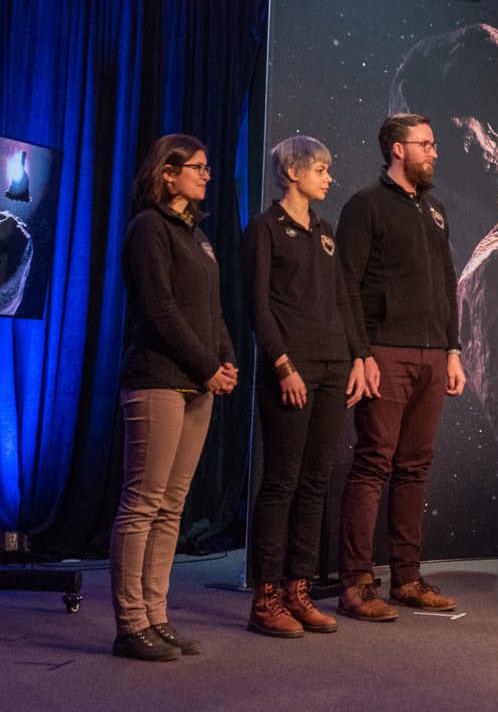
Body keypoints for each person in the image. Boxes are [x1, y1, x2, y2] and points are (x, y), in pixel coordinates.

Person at [111, 134, 238, 663]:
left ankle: (156, 616)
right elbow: (159, 308)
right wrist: (207, 366)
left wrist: (225, 359)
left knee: (172, 507)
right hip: (158, 380)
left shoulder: (197, 236)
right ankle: (130, 624)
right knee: (143, 504)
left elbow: (211, 308)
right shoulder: (149, 227)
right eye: (197, 167)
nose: (206, 175)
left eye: (208, 167)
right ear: (168, 173)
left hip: (198, 384)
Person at [334, 113, 464, 621]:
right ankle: (355, 584)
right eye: (425, 144)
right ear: (397, 149)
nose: (434, 153)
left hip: (433, 355)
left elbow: (448, 284)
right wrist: (361, 353)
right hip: (385, 352)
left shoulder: (435, 210)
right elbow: (346, 283)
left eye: (433, 144)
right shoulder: (365, 205)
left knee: (414, 468)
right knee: (374, 463)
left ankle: (407, 579)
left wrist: (453, 350)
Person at [244, 135, 370, 639]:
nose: (329, 178)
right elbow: (257, 306)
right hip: (291, 369)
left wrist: (357, 357)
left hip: (333, 367)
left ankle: (298, 589)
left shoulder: (325, 231)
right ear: (293, 173)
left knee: (316, 480)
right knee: (282, 480)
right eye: (321, 169)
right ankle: (266, 596)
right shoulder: (264, 229)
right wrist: (281, 364)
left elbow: (342, 302)